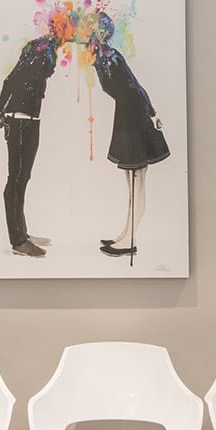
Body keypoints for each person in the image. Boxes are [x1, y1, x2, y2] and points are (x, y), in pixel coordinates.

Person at [89, 14, 168, 259]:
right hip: (126, 114)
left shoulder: (111, 56)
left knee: (137, 180)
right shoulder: (100, 57)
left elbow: (134, 84)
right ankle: (126, 234)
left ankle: (130, 240)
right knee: (132, 180)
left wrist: (152, 112)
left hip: (134, 116)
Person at [0, 33, 57, 258]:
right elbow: (9, 82)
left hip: (31, 121)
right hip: (17, 122)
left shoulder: (45, 54)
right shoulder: (36, 53)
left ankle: (22, 233)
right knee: (16, 178)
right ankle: (17, 241)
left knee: (23, 177)